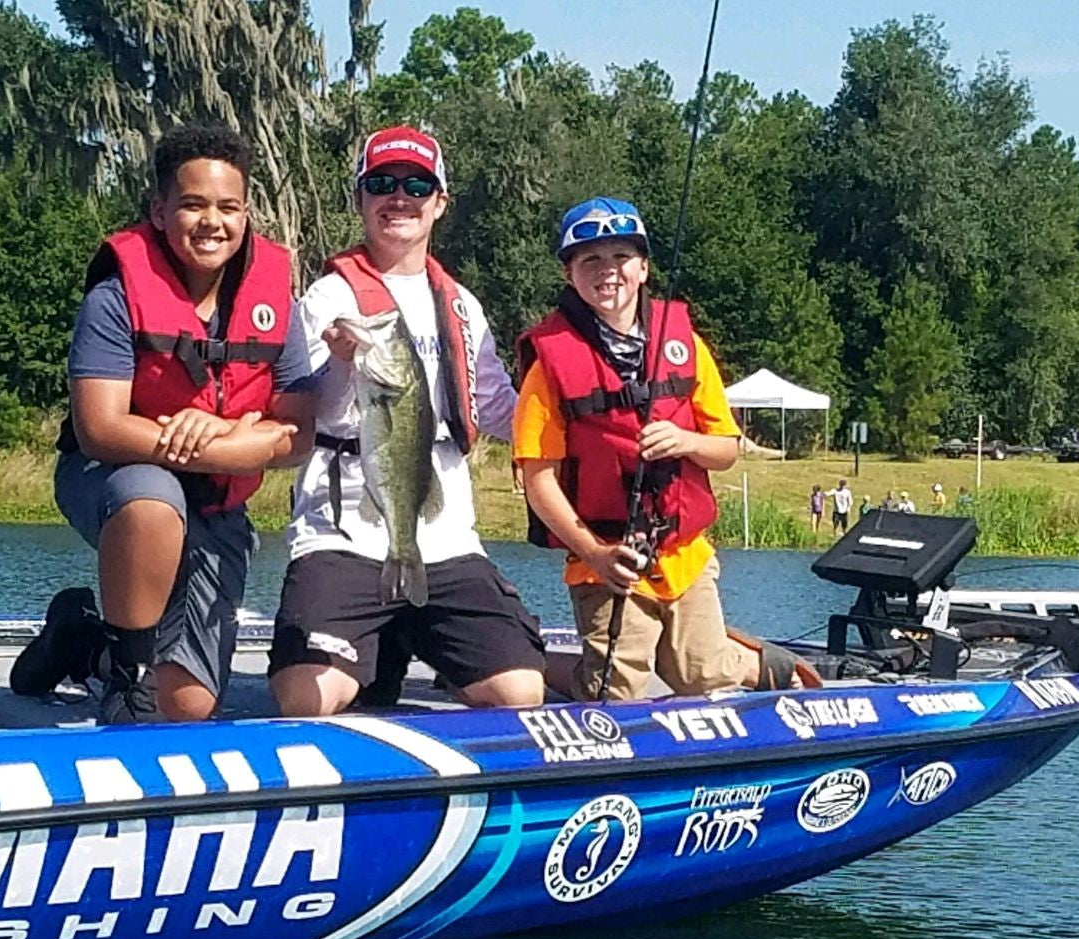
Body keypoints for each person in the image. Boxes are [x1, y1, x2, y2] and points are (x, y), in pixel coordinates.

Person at [11, 124, 315, 724]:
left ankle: (80, 644)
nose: (212, 222)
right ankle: (125, 676)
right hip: (115, 479)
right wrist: (225, 441)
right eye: (193, 204)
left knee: (188, 707)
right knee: (152, 497)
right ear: (160, 210)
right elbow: (101, 428)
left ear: (247, 212)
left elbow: (296, 434)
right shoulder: (115, 295)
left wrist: (219, 435)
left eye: (228, 207)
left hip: (216, 505)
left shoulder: (276, 298)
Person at [269, 125, 546, 717]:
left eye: (418, 184)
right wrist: (343, 366)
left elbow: (498, 408)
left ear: (440, 202)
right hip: (343, 531)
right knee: (308, 699)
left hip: (444, 537)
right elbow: (301, 411)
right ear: (360, 198)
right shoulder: (325, 297)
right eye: (382, 184)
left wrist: (579, 416)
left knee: (520, 692)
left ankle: (411, 640)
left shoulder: (463, 306)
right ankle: (380, 643)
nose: (400, 197)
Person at [514, 197, 811, 701]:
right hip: (604, 557)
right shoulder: (550, 363)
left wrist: (686, 441)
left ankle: (758, 662)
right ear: (569, 274)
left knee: (703, 676)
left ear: (644, 267)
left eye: (621, 258)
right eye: (590, 260)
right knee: (615, 691)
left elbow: (726, 448)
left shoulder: (686, 345)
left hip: (684, 554)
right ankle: (539, 664)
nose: (608, 272)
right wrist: (595, 552)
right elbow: (538, 478)